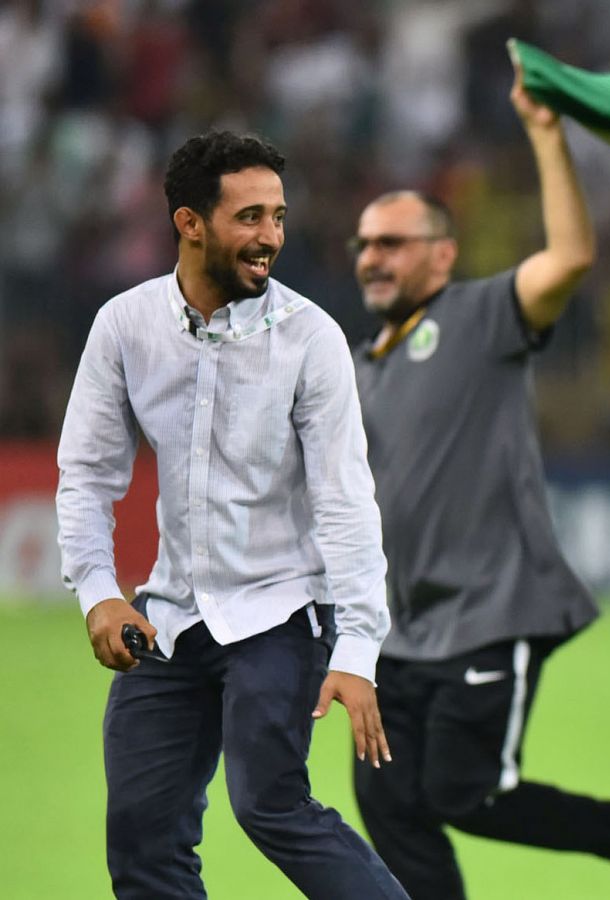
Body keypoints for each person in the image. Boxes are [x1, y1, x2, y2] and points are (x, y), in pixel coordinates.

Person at [346, 56, 610, 900]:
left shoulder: (478, 317)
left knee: (466, 791)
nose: (372, 257)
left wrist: (547, 134)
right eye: (364, 243)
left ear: (442, 254)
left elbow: (573, 257)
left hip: (491, 607)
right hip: (402, 629)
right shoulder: (363, 364)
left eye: (392, 242)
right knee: (388, 799)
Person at [55, 130, 406, 899]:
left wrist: (357, 648)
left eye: (278, 218)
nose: (271, 238)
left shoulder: (311, 339)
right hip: (172, 617)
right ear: (190, 223)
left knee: (269, 804)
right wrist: (98, 592)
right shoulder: (124, 326)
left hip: (279, 613)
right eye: (250, 218)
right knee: (143, 837)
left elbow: (346, 499)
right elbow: (86, 475)